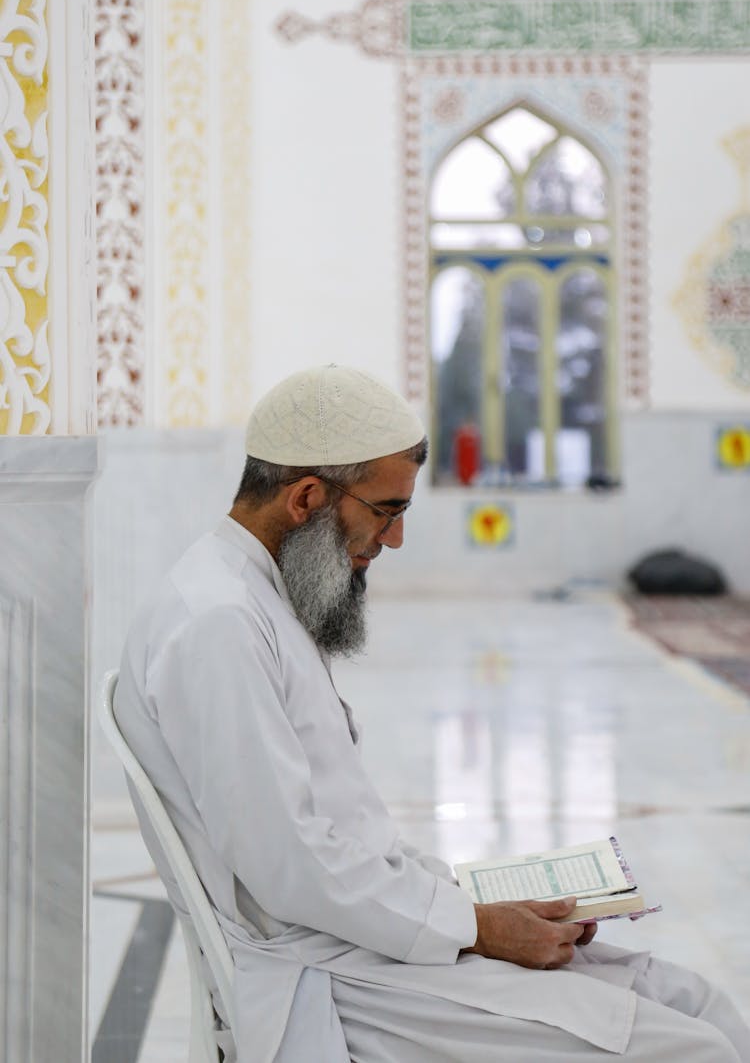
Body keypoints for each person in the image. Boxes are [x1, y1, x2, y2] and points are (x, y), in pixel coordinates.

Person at [115, 364, 750, 1063]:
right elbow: (290, 868)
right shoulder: (218, 623)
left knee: (696, 1002)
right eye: (388, 510)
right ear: (305, 497)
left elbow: (340, 831)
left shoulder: (256, 598)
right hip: (336, 973)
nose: (393, 541)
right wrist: (478, 926)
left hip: (372, 930)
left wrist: (469, 897)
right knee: (689, 1047)